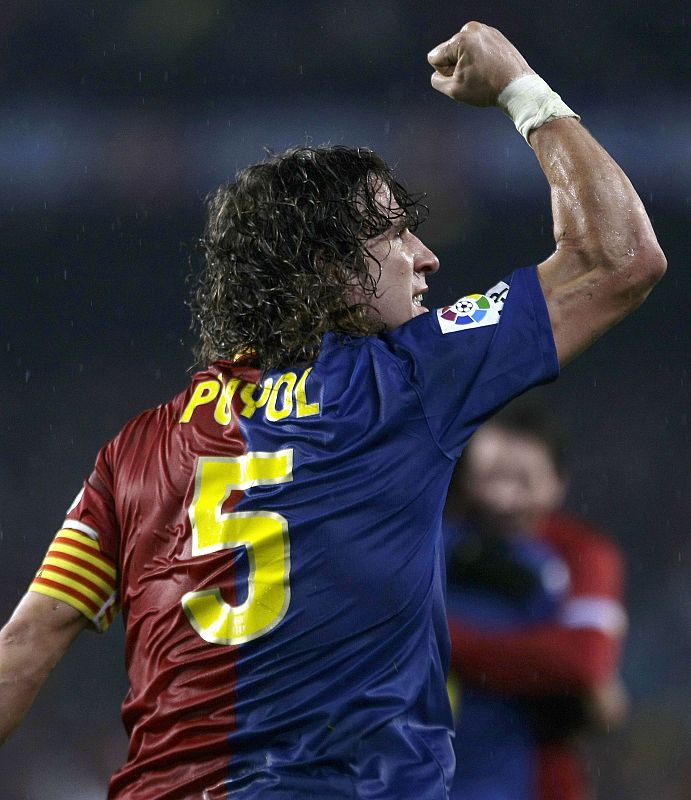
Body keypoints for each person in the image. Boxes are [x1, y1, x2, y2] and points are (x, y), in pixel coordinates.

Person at [0, 21, 665, 800]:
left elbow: (28, 642)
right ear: (327, 270)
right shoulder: (404, 381)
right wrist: (520, 87)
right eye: (394, 233)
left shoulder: (134, 451)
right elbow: (618, 257)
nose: (426, 255)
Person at [444, 402, 629, 800]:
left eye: (524, 481)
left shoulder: (583, 555)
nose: (505, 497)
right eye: (491, 478)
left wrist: (440, 640)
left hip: (536, 776)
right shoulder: (437, 546)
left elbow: (581, 662)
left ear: (559, 482)